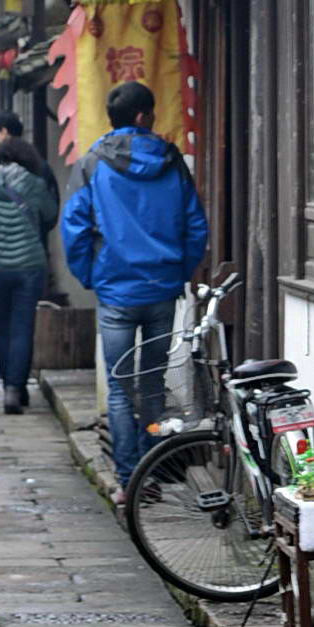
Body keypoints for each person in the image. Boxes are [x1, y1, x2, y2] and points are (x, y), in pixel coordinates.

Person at [61, 82, 211, 489]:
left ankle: (132, 480)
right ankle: (157, 468)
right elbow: (196, 225)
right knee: (152, 385)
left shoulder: (92, 163)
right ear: (144, 116)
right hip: (162, 287)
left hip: (115, 290)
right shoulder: (171, 160)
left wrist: (90, 276)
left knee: (120, 387)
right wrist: (180, 270)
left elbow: (73, 228)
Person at [0, 136, 60, 417]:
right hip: (30, 266)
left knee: (3, 328)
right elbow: (50, 216)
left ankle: (7, 383)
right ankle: (15, 389)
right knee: (23, 328)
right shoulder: (36, 184)